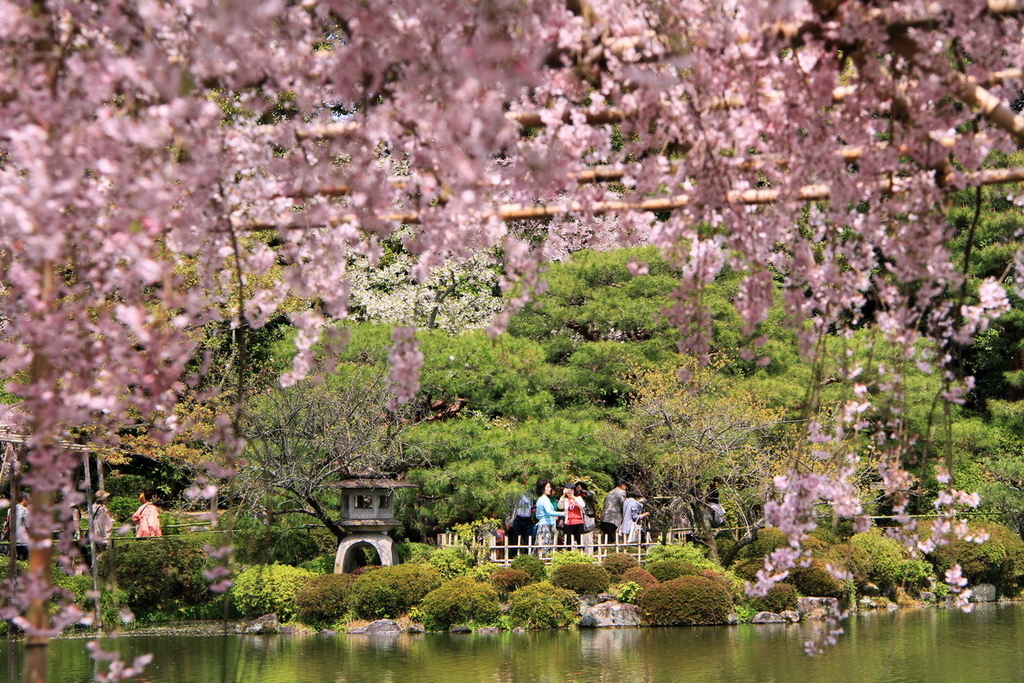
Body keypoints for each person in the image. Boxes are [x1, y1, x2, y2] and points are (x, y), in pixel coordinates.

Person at [533, 478, 563, 557]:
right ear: (543, 488)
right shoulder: (544, 499)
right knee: (545, 548)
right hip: (546, 526)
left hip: (547, 524)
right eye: (548, 487)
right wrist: (563, 513)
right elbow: (549, 512)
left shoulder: (543, 499)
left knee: (544, 547)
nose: (550, 489)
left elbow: (538, 515)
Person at [505, 477, 535, 558]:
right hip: (516, 519)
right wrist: (507, 521)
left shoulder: (530, 493)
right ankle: (513, 558)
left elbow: (532, 504)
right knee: (514, 541)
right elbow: (508, 507)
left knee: (529, 540)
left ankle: (526, 558)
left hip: (527, 520)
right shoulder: (514, 492)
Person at [558, 483, 588, 548]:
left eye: (571, 490)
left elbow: (582, 506)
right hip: (568, 523)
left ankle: (581, 555)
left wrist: (573, 497)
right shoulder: (564, 500)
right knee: (568, 542)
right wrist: (563, 495)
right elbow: (560, 506)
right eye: (568, 490)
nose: (569, 492)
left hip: (579, 522)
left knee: (580, 542)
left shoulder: (578, 498)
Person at [7, 493, 30, 560]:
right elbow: (28, 525)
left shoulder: (10, 509)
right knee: (24, 558)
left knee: (15, 558)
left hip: (13, 538)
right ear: (24, 500)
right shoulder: (25, 510)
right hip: (23, 539)